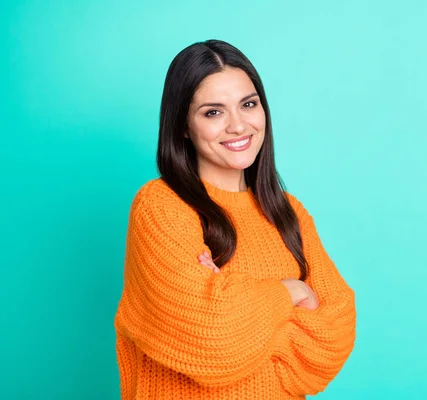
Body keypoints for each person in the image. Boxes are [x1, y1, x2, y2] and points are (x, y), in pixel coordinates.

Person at [113, 39, 356, 399]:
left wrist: (234, 304)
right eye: (213, 112)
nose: (238, 126)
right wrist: (292, 291)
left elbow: (335, 334)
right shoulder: (161, 206)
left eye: (248, 104)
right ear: (183, 125)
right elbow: (210, 338)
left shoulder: (288, 211)